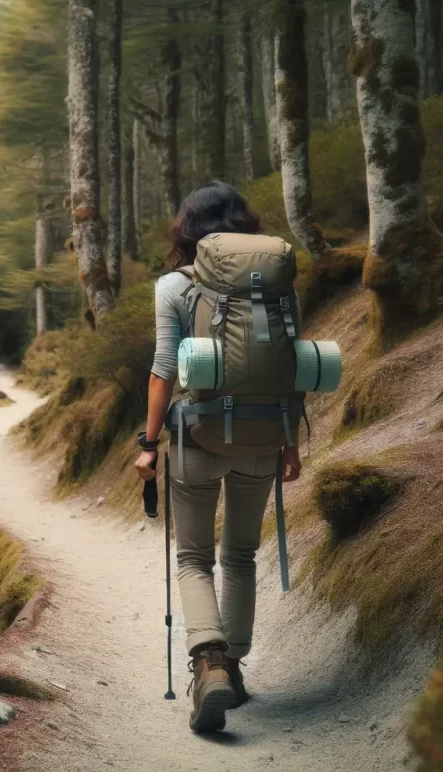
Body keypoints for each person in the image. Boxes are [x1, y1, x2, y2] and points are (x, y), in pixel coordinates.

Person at [134, 181, 303, 733]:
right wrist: (290, 444)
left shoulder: (171, 287)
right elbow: (292, 364)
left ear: (187, 227)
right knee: (240, 557)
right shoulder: (276, 285)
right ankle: (234, 664)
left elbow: (163, 368)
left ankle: (207, 664)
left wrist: (147, 445)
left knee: (194, 559)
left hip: (198, 437)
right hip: (261, 437)